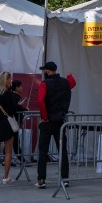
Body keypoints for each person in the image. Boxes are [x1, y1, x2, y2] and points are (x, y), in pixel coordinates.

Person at [35, 61, 76, 189]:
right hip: (60, 121)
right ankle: (65, 179)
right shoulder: (65, 82)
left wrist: (45, 118)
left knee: (43, 151)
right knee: (62, 150)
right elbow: (72, 83)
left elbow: (41, 101)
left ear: (47, 71)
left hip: (48, 122)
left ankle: (41, 179)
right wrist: (69, 75)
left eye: (44, 71)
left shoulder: (44, 84)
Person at [0, 71, 24, 185]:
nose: (10, 82)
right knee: (8, 152)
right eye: (9, 80)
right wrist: (20, 106)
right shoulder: (7, 94)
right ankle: (6, 177)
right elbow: (12, 109)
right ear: (5, 80)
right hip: (6, 124)